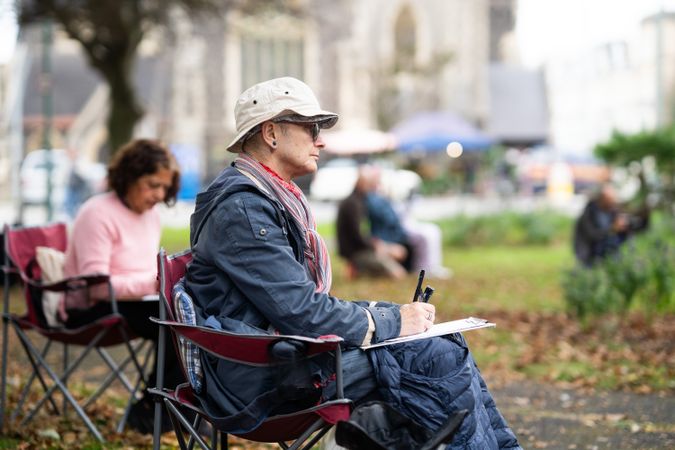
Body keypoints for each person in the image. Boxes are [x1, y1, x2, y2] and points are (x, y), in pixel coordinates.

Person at [183, 77, 521, 449]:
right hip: (261, 377)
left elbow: (292, 304)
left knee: (440, 345)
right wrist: (392, 320)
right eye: (311, 128)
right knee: (434, 356)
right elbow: (300, 311)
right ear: (271, 133)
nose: (321, 140)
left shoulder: (264, 198)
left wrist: (392, 314)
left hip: (283, 355)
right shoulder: (244, 208)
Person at [61, 138, 184, 434]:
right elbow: (98, 288)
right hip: (91, 309)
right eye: (153, 184)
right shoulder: (97, 213)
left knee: (190, 315)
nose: (160, 194)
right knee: (174, 320)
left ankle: (171, 408)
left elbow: (140, 273)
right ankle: (154, 409)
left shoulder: (151, 216)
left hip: (135, 304)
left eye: (165, 187)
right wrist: (158, 282)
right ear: (130, 176)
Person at [337, 166, 409, 279]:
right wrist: (378, 247)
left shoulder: (360, 200)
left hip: (364, 248)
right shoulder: (353, 204)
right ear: (363, 183)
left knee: (400, 252)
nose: (375, 187)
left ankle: (362, 269)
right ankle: (358, 268)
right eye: (372, 183)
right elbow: (357, 236)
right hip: (357, 252)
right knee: (398, 274)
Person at [573, 184, 648, 266]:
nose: (613, 202)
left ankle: (623, 262)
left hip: (607, 251)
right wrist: (612, 229)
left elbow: (636, 228)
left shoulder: (612, 211)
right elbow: (593, 236)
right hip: (589, 254)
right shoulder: (588, 214)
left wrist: (644, 217)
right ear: (602, 199)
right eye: (610, 199)